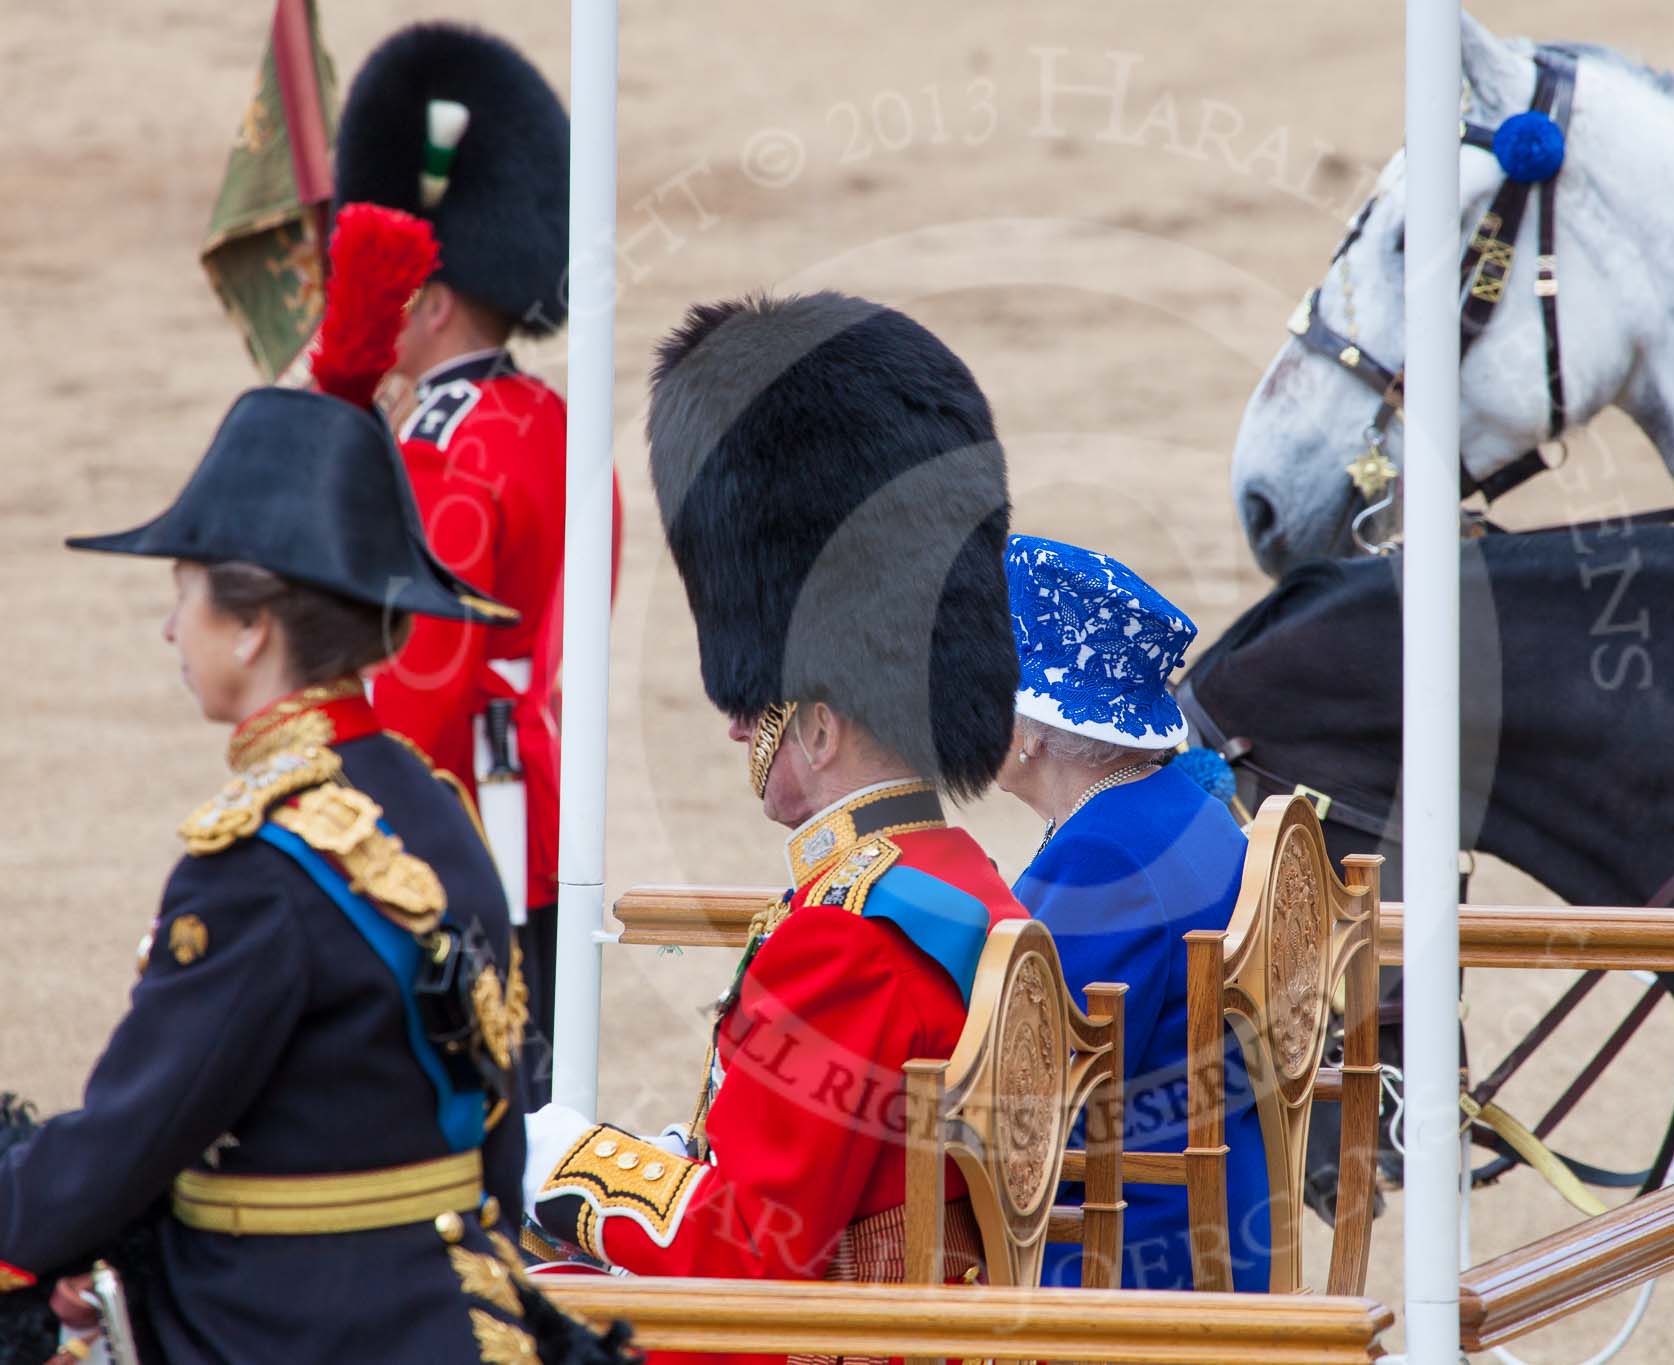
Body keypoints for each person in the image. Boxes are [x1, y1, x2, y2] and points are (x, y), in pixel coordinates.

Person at [0, 384, 542, 1363]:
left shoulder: (260, 865)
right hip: (455, 1313)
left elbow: (139, 1130)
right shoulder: (430, 804)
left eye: (184, 590)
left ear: (251, 626)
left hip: (293, 1328)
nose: (172, 629)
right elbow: (494, 1125)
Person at [523, 293, 1024, 1322]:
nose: (733, 730)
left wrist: (567, 1168)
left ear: (823, 726)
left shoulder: (848, 939)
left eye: (757, 710)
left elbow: (749, 1250)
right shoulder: (955, 876)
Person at [334, 20, 623, 1102]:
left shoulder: (444, 446)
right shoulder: (555, 419)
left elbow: (422, 666)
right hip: (541, 793)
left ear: (433, 299)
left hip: (458, 806)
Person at [996, 534, 1272, 1290]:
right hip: (1210, 1226)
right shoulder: (1178, 808)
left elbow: (1022, 1095)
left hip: (1131, 1257)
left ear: (1027, 731)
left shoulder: (1105, 855)